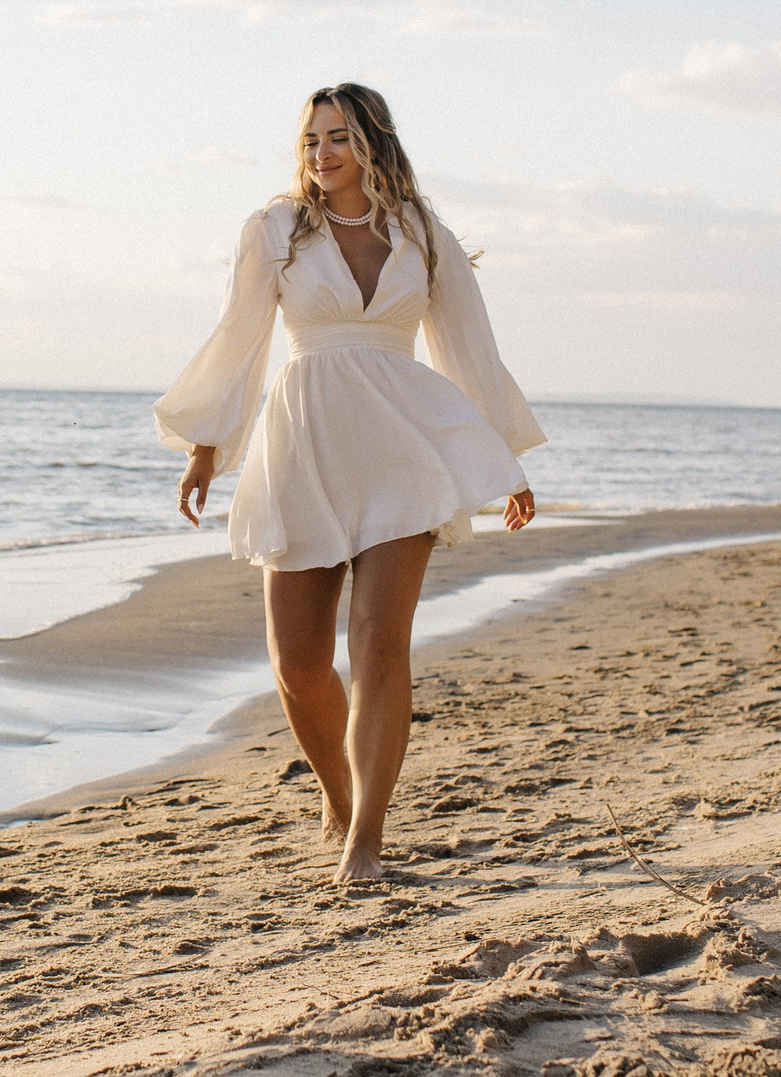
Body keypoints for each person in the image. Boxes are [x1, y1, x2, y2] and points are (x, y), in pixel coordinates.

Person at [157, 83, 542, 885]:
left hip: (401, 448)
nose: (322, 154)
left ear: (373, 142)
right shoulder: (277, 232)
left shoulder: (422, 235)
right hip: (304, 444)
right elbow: (240, 341)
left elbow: (470, 345)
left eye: (338, 138)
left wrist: (504, 457)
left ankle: (366, 836)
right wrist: (208, 447)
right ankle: (338, 794)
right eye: (311, 141)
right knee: (297, 662)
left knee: (378, 642)